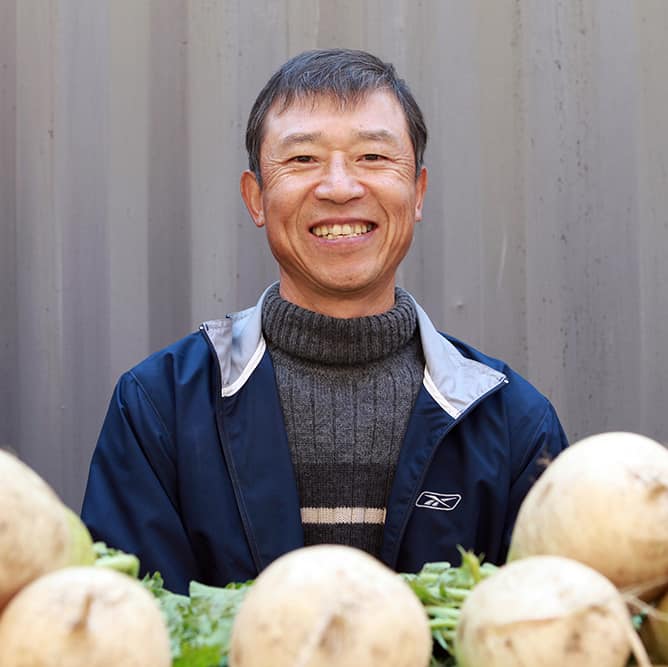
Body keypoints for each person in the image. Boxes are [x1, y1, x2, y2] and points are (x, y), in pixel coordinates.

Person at [81, 48, 568, 594]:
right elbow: (121, 629)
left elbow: (554, 627)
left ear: (418, 192)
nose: (339, 187)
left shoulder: (511, 424)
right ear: (256, 198)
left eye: (373, 158)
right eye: (303, 160)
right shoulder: (159, 407)